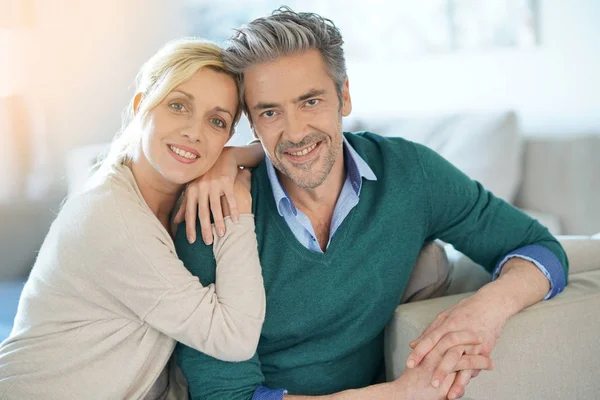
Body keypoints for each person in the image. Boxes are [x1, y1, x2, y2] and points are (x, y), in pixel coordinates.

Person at [174, 7, 569, 400]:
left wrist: (485, 312)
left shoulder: (410, 173)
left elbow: (540, 249)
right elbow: (226, 396)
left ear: (344, 96)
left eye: (310, 102)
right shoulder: (215, 215)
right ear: (251, 122)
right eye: (271, 111)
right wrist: (401, 394)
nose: (295, 133)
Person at [0, 38, 267, 400]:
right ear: (141, 105)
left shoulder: (164, 199)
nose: (194, 131)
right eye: (178, 106)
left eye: (216, 121)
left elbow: (274, 151)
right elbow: (235, 337)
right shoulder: (112, 218)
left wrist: (230, 159)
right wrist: (238, 204)